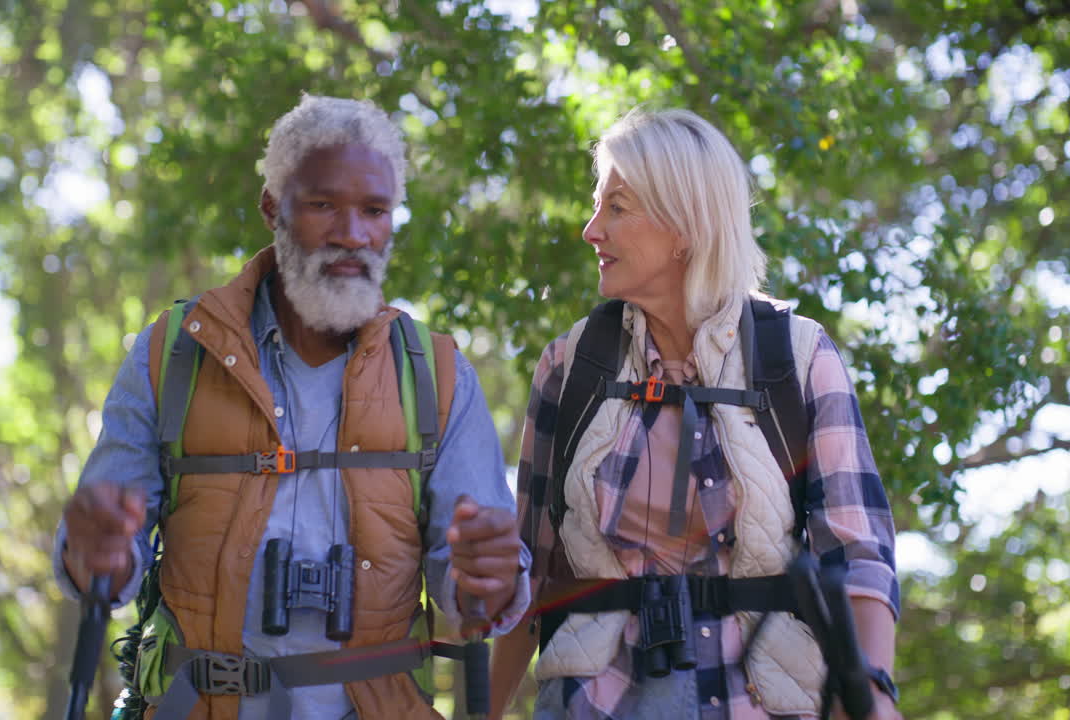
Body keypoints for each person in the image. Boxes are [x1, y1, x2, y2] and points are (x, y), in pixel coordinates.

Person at [55, 94, 530, 720]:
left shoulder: (438, 376)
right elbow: (102, 560)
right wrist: (96, 554)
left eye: (375, 210)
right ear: (272, 208)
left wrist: (490, 582)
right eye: (323, 204)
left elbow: (473, 589)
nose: (353, 234)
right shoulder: (173, 355)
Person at [490, 108, 901, 720]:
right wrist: (484, 712)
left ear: (684, 225)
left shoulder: (798, 356)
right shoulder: (572, 365)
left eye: (617, 208)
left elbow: (857, 553)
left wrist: (869, 695)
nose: (591, 230)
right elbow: (530, 567)